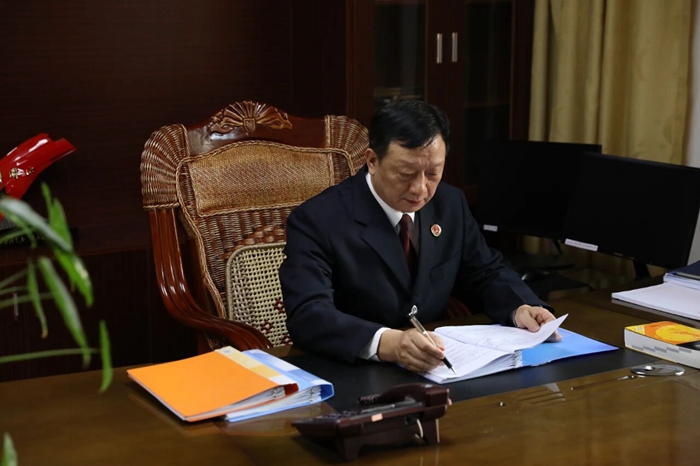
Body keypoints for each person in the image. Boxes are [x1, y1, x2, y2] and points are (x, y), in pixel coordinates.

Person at [279, 100, 559, 374]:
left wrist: (521, 307)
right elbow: (308, 314)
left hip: (439, 367)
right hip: (353, 371)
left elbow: (483, 271)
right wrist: (388, 343)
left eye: (433, 173)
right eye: (406, 174)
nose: (420, 189)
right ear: (373, 161)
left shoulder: (449, 204)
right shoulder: (318, 220)